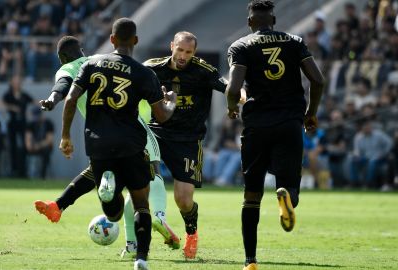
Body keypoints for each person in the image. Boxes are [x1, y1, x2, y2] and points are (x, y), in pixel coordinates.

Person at [34, 35, 180, 255]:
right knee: (152, 173)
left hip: (100, 134)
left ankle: (61, 205)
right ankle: (158, 216)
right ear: (81, 51)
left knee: (99, 173)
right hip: (133, 129)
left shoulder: (71, 68)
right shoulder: (98, 60)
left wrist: (52, 101)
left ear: (61, 58)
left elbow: (63, 87)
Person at [226, 1, 324, 269]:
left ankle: (250, 261)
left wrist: (232, 108)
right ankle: (286, 198)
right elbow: (317, 80)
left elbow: (233, 87)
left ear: (250, 22)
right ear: (275, 19)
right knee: (291, 187)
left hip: (257, 125)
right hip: (289, 123)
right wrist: (311, 113)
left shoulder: (241, 46)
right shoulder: (294, 41)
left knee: (251, 195)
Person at [143, 31, 227, 259]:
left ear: (194, 52)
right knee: (141, 184)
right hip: (156, 133)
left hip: (188, 140)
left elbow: (227, 85)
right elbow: (131, 80)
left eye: (188, 52)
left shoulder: (203, 71)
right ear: (172, 46)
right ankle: (139, 242)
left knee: (183, 199)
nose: (183, 56)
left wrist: (240, 95)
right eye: (180, 50)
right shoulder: (153, 68)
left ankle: (191, 233)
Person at [2, 75, 34, 177]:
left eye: (19, 82)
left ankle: (23, 170)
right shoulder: (8, 95)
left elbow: (34, 102)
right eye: (15, 82)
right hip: (12, 123)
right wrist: (12, 107)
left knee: (24, 146)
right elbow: (0, 104)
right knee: (12, 146)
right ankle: (13, 169)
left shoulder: (24, 95)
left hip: (23, 123)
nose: (17, 84)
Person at [25, 106, 54, 179]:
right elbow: (28, 140)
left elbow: (49, 140)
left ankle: (43, 176)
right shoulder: (30, 124)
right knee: (23, 152)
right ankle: (27, 175)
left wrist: (39, 145)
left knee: (46, 152)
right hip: (34, 147)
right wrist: (31, 147)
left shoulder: (48, 124)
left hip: (45, 147)